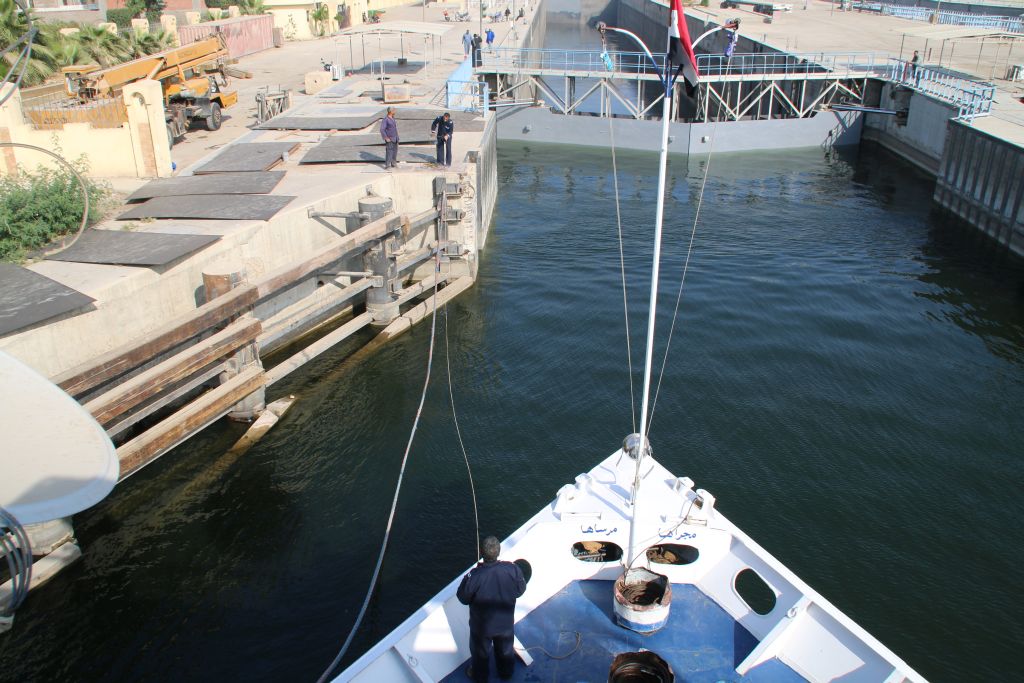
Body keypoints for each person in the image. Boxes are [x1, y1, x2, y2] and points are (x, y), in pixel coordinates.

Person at [457, 536, 526, 683]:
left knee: (480, 654)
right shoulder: (512, 569)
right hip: (505, 623)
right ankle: (506, 673)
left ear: (482, 552)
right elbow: (520, 590)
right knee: (505, 650)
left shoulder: (474, 576)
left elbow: (462, 598)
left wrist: (472, 574)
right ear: (498, 552)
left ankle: (480, 677)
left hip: (482, 628)